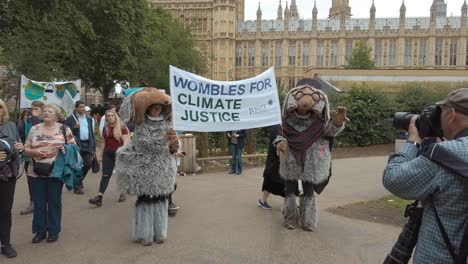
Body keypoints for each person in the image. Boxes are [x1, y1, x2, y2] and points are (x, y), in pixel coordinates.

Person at [383, 88, 468, 264]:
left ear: (451, 114)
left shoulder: (446, 154)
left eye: (441, 113)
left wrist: (413, 141)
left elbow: (393, 179)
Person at [116, 88, 179, 246]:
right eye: (154, 106)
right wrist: (165, 142)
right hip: (145, 169)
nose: (157, 109)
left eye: (159, 107)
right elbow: (144, 144)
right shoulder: (141, 126)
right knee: (145, 200)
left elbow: (173, 148)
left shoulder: (168, 125)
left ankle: (160, 233)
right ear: (148, 108)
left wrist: (174, 145)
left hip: (163, 169)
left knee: (160, 199)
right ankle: (144, 234)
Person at [23, 104, 76, 244]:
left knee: (54, 202)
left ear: (57, 115)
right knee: (39, 203)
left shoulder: (64, 129)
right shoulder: (34, 129)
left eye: (50, 111)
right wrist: (34, 152)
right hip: (36, 172)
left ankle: (53, 231)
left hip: (56, 172)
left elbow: (73, 147)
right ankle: (39, 231)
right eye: (44, 111)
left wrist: (66, 150)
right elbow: (25, 148)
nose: (46, 112)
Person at [89, 109, 129, 207]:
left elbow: (126, 142)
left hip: (119, 153)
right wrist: (100, 155)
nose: (110, 117)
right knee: (105, 175)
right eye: (108, 116)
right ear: (106, 118)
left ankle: (123, 192)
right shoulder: (105, 128)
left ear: (116, 116)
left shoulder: (122, 127)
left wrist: (122, 153)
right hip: (108, 153)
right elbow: (103, 142)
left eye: (112, 115)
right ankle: (99, 197)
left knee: (121, 174)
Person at [0, 99, 23, 258]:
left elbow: (17, 147)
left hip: (8, 175)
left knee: (5, 211)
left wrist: (19, 149)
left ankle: (5, 243)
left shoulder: (11, 126)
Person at [17, 100, 44, 215]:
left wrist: (37, 119)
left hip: (43, 157)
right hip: (29, 155)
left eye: (36, 109)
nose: (33, 111)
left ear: (42, 111)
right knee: (31, 179)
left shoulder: (46, 122)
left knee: (42, 179)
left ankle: (42, 201)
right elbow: (20, 136)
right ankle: (32, 202)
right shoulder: (26, 122)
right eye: (32, 109)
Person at [65, 101, 96, 194]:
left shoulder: (89, 118)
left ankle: (78, 181)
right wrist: (74, 127)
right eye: (81, 107)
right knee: (77, 165)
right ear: (76, 108)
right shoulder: (71, 119)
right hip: (76, 144)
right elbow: (66, 132)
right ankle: (77, 186)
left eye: (84, 107)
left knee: (88, 164)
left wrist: (93, 145)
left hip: (87, 144)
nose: (83, 108)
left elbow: (91, 132)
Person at [258, 124, 284, 210]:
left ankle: (292, 202)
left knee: (288, 183)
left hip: (281, 161)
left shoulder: (283, 126)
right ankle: (262, 200)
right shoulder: (277, 127)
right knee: (270, 181)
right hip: (275, 161)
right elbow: (276, 144)